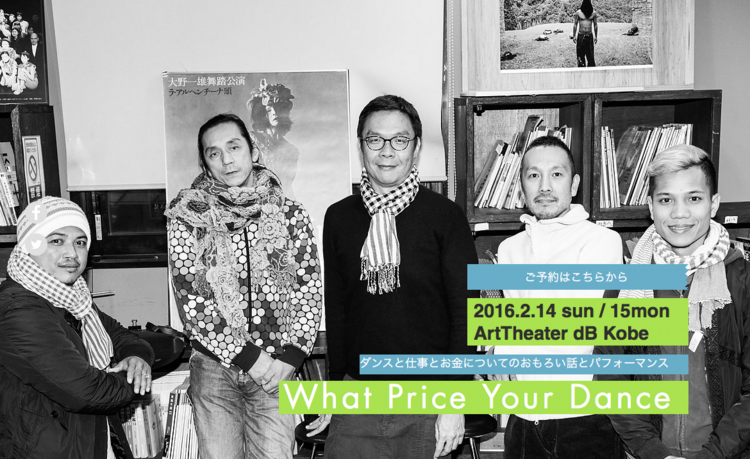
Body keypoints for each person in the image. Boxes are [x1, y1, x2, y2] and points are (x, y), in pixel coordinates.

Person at [312, 94, 479, 458]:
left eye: (400, 140)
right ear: (361, 146)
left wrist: (454, 402)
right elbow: (337, 310)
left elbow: (466, 315)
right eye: (375, 139)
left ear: (416, 148)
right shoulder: (338, 218)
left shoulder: (446, 217)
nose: (387, 151)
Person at [165, 113, 322, 459]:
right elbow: (193, 301)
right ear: (205, 164)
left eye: (234, 147)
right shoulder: (186, 218)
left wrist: (291, 357)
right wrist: (249, 357)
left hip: (277, 370)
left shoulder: (290, 215)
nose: (227, 160)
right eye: (214, 153)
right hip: (214, 370)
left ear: (253, 151)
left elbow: (308, 289)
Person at [596, 145, 750, 459]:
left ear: (713, 204)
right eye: (666, 200)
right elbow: (611, 378)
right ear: (651, 207)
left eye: (694, 198)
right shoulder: (626, 284)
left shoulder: (741, 280)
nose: (680, 213)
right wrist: (652, 451)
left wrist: (714, 454)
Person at [493, 136, 624, 458]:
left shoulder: (602, 241)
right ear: (521, 186)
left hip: (583, 418)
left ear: (574, 184)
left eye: (556, 174)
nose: (545, 186)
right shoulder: (509, 249)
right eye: (533, 175)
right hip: (523, 418)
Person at [0, 196, 155, 459]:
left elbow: (121, 336)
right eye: (56, 241)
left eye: (80, 242)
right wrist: (135, 379)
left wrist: (137, 358)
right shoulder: (18, 309)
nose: (72, 253)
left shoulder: (74, 299)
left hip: (83, 442)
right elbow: (90, 393)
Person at [246, 79, 300, 199]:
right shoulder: (251, 140)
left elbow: (287, 186)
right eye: (269, 109)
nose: (274, 112)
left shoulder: (291, 150)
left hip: (282, 201)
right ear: (264, 114)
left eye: (278, 108)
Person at [573, 0, 598, 67]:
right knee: (580, 56)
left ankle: (591, 71)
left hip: (589, 36)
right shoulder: (578, 13)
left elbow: (595, 25)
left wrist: (596, 36)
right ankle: (581, 70)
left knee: (590, 56)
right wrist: (574, 36)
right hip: (581, 35)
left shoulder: (593, 13)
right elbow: (575, 24)